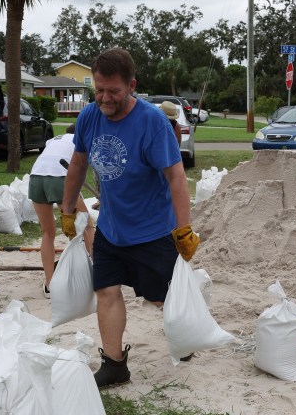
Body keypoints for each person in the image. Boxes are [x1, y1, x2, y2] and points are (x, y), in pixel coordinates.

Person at [60, 47, 198, 388]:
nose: (105, 98)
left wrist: (183, 229)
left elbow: (176, 177)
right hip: (111, 228)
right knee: (106, 290)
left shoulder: (152, 122)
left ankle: (184, 334)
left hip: (152, 231)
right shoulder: (90, 116)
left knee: (161, 297)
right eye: (99, 89)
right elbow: (78, 164)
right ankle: (114, 364)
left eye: (114, 91)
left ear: (131, 85)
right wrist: (66, 209)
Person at [29, 123, 95, 297]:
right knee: (86, 223)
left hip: (36, 178)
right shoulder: (80, 140)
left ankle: (50, 285)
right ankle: (97, 272)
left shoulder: (53, 140)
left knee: (47, 232)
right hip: (59, 177)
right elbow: (81, 169)